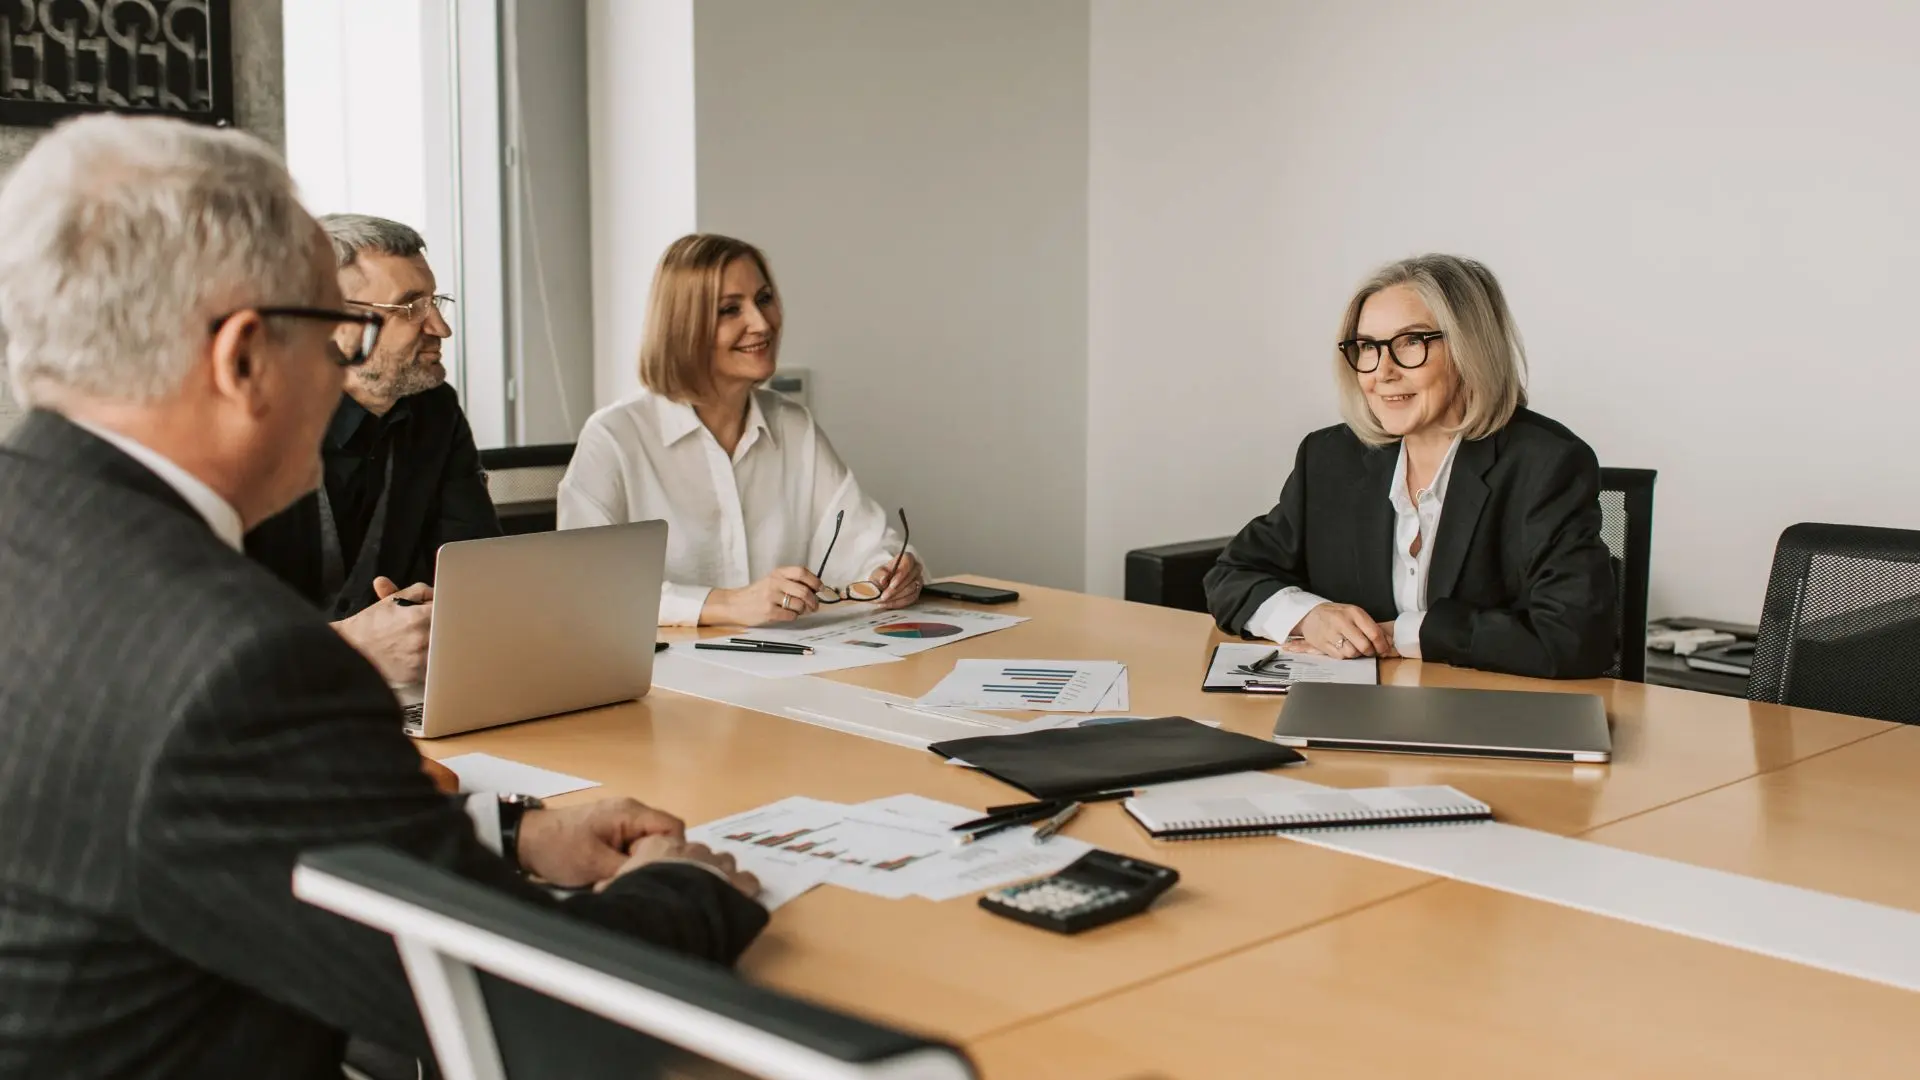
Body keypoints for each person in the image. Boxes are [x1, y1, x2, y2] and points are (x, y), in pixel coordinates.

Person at [0, 115, 765, 1080]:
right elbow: (523, 1004)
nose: (345, 369)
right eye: (336, 334)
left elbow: (214, 831)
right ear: (242, 361)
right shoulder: (244, 665)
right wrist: (687, 892)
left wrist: (515, 828)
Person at [1204, 254, 1617, 679]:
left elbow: (1574, 638)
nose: (1382, 371)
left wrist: (1408, 635)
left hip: (1486, 718)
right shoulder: (1330, 458)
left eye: (1410, 343)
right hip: (1357, 716)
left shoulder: (1547, 463)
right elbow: (1231, 575)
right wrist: (1308, 616)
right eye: (1367, 347)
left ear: (1469, 349)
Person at [558, 233, 924, 626]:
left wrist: (890, 572)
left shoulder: (794, 427)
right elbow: (585, 589)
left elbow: (865, 542)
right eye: (730, 309)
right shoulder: (614, 437)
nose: (762, 323)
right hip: (662, 678)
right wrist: (728, 604)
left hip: (792, 666)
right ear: (683, 325)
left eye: (764, 299)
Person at [246, 213, 500, 686]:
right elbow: (209, 635)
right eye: (409, 309)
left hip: (410, 696)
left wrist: (435, 612)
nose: (441, 328)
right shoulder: (248, 431)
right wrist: (351, 646)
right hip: (273, 709)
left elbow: (478, 572)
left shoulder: (435, 412)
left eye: (434, 302)